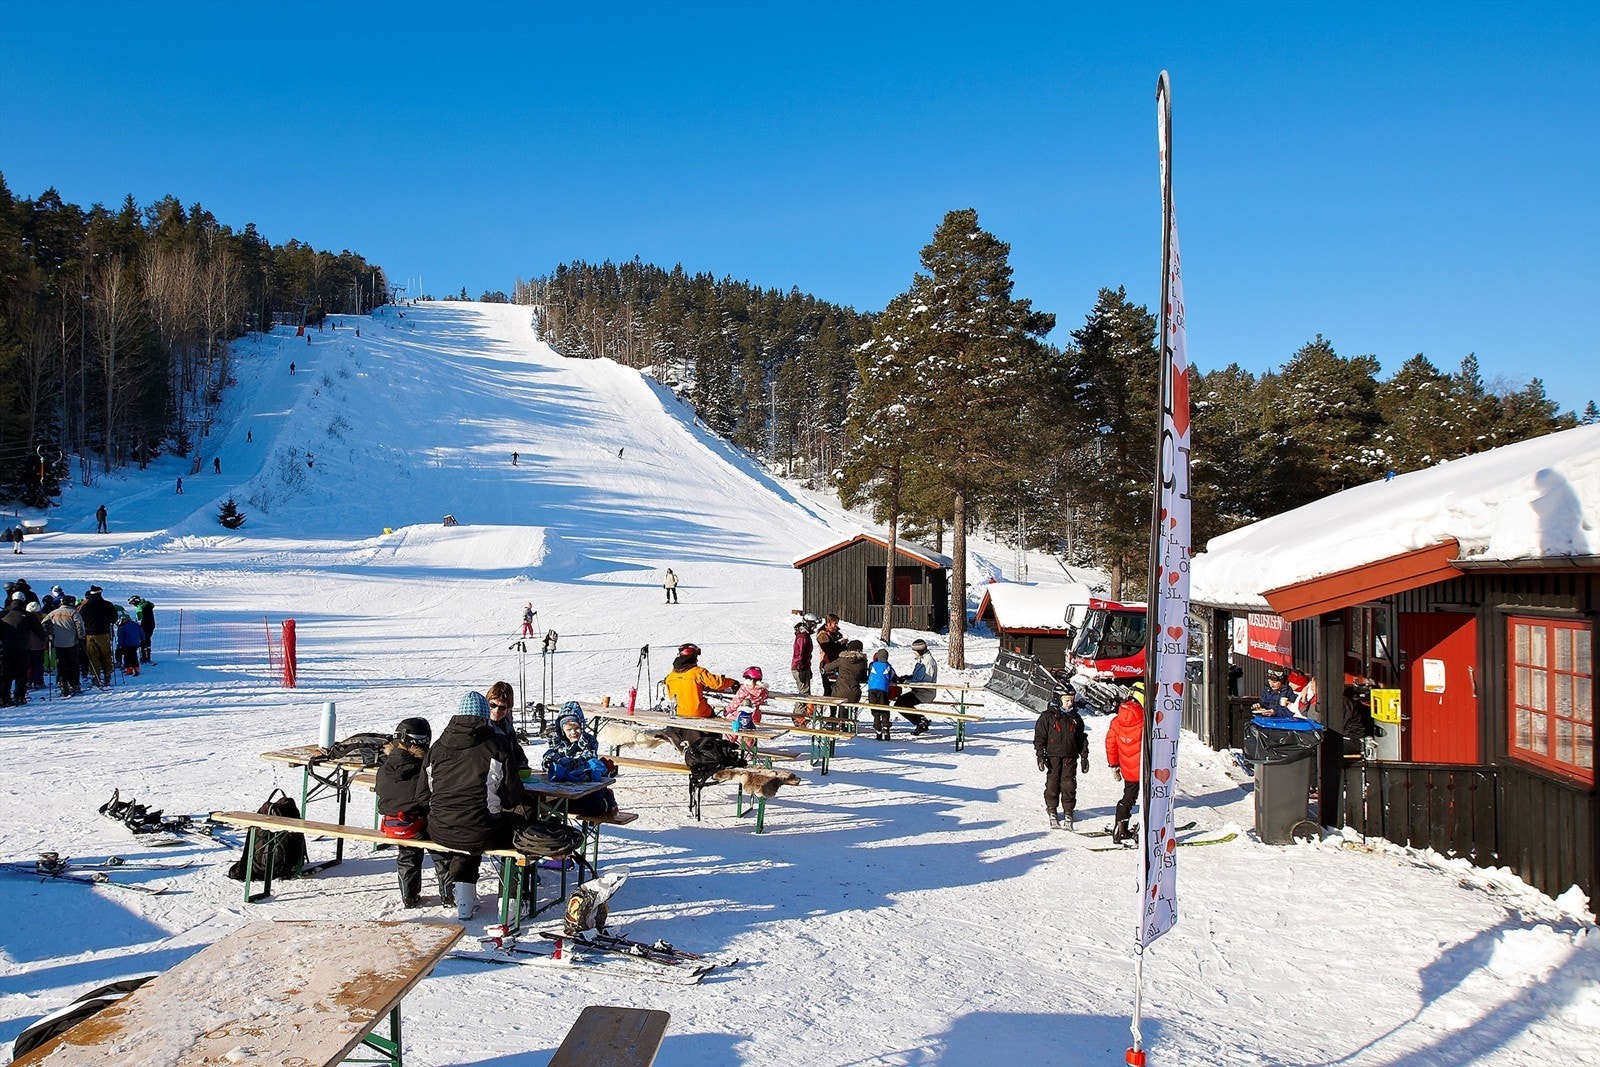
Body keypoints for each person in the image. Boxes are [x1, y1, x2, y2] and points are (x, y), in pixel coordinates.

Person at [423, 690, 531, 920]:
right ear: (484, 717)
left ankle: (464, 899)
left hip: (440, 829)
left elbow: (423, 792)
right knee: (512, 833)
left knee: (469, 824)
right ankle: (510, 904)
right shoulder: (496, 746)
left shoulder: (439, 746)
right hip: (478, 829)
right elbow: (512, 796)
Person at [376, 717, 450, 908]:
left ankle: (409, 895)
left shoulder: (385, 767)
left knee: (408, 853)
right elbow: (427, 797)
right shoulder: (422, 768)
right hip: (418, 825)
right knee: (441, 850)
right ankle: (449, 895)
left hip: (393, 825)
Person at [541, 703, 617, 815]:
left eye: (577, 728)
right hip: (564, 786)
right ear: (562, 730)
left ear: (582, 726)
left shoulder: (588, 741)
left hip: (586, 786)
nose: (573, 732)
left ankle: (607, 800)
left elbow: (586, 758)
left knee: (592, 807)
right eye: (569, 729)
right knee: (544, 801)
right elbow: (550, 755)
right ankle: (553, 819)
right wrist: (548, 762)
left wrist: (563, 764)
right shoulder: (557, 742)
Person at [1035, 683, 1091, 830]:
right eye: (1066, 700)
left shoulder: (1076, 718)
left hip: (1070, 757)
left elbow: (1081, 738)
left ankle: (1068, 810)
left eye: (1071, 700)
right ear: (1058, 699)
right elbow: (1040, 737)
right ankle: (1052, 809)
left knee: (1069, 785)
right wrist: (1040, 756)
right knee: (1053, 784)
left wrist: (1084, 756)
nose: (1070, 703)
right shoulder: (1047, 717)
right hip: (1053, 757)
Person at [1105, 681, 1146, 844]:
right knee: (1148, 799)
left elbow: (1111, 744)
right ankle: (1143, 829)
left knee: (1129, 797)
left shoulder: (1116, 721)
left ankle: (1120, 825)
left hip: (1128, 769)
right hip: (1146, 768)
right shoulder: (1146, 720)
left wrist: (1114, 765)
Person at [662, 643, 736, 718]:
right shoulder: (698, 672)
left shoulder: (671, 676)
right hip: (699, 712)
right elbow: (717, 683)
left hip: (680, 712)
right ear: (692, 656)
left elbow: (672, 696)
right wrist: (732, 682)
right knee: (711, 713)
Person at [0, 592, 44, 706]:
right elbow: (38, 630)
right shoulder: (27, 615)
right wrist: (46, 637)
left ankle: (4, 698)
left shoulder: (3, 614)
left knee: (5, 673)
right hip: (23, 647)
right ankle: (19, 696)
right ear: (23, 601)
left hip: (6, 648)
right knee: (21, 673)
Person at [892, 638, 937, 735]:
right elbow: (918, 677)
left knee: (900, 703)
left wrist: (908, 681)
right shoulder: (922, 660)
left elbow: (925, 680)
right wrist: (908, 677)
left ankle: (921, 722)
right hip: (918, 691)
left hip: (925, 692)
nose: (914, 653)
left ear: (919, 651)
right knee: (900, 702)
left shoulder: (928, 662)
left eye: (914, 651)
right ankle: (921, 721)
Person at [43, 595, 84, 697]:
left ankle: (63, 683)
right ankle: (74, 684)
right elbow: (80, 626)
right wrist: (81, 636)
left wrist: (50, 633)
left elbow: (43, 623)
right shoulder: (74, 613)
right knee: (73, 664)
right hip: (71, 643)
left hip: (58, 643)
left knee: (61, 664)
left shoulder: (54, 612)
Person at [485, 680, 529, 772]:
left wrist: (522, 762)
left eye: (502, 707)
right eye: (492, 705)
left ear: (508, 708)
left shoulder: (507, 724)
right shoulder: (482, 724)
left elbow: (515, 748)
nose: (496, 711)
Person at [78, 586, 117, 689]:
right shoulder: (107, 605)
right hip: (104, 633)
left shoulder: (85, 606)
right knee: (106, 655)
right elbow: (114, 619)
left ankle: (96, 676)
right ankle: (107, 674)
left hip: (90, 634)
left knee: (92, 656)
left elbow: (81, 620)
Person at [865, 648, 896, 740]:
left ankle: (878, 728)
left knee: (875, 709)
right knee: (884, 708)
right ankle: (886, 727)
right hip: (883, 690)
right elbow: (892, 676)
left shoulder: (872, 665)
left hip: (872, 689)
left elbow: (868, 674)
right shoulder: (888, 666)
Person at [829, 639, 869, 707]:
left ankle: (833, 714)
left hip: (838, 694)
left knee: (832, 688)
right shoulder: (863, 662)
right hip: (854, 694)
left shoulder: (842, 659)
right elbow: (863, 677)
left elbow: (827, 667)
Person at [815, 614, 845, 693]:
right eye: (835, 624)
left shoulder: (836, 634)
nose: (836, 626)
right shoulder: (823, 635)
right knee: (829, 690)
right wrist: (839, 644)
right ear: (828, 624)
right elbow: (828, 650)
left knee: (836, 689)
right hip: (827, 664)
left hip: (837, 664)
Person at [790, 617, 815, 695]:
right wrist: (801, 669)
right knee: (804, 694)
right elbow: (799, 654)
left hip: (804, 666)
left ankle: (804, 707)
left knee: (805, 692)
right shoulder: (802, 637)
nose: (815, 627)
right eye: (814, 625)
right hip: (800, 667)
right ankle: (800, 707)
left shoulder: (805, 635)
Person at [115, 610, 143, 676]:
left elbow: (121, 637)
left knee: (127, 657)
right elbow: (142, 632)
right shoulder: (135, 624)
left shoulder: (123, 627)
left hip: (127, 645)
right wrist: (142, 640)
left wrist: (120, 645)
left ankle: (129, 669)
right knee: (134, 656)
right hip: (135, 644)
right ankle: (136, 668)